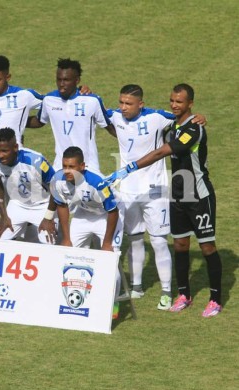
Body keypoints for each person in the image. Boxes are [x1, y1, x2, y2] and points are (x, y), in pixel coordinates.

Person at [106, 84, 222, 317]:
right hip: (177, 194)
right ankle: (184, 295)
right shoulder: (171, 127)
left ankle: (215, 299)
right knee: (180, 244)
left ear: (190, 104)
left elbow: (163, 151)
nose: (174, 105)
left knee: (207, 247)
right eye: (172, 100)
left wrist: (130, 167)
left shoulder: (193, 129)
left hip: (198, 194)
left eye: (179, 102)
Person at [107, 84, 175, 310]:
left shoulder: (158, 117)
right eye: (121, 102)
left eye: (128, 104)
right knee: (135, 238)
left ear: (141, 104)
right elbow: (96, 113)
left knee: (158, 241)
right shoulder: (115, 116)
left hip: (155, 190)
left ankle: (166, 291)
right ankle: (137, 286)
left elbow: (182, 117)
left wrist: (198, 117)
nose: (123, 108)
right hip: (128, 190)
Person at [39, 146, 123, 318]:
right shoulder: (58, 180)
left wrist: (106, 243)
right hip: (84, 214)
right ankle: (75, 297)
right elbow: (61, 205)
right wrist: (66, 238)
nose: (67, 171)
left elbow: (113, 211)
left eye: (72, 167)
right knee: (69, 256)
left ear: (82, 166)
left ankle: (114, 302)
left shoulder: (96, 182)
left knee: (110, 260)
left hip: (107, 217)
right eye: (64, 166)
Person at [27, 58, 115, 173]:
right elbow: (39, 121)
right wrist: (14, 121)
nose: (61, 84)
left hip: (88, 166)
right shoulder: (49, 100)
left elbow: (109, 127)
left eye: (66, 80)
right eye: (59, 80)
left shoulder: (92, 101)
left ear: (77, 80)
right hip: (61, 166)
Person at [0, 127, 55, 242]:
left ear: (15, 148)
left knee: (48, 242)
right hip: (17, 204)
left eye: (4, 151)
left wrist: (48, 217)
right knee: (0, 241)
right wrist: (4, 216)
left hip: (42, 205)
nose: (0, 155)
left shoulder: (36, 161)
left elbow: (55, 187)